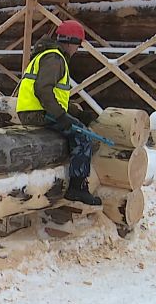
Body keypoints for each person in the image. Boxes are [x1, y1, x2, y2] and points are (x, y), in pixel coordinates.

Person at [16, 20, 102, 206]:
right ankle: (77, 188)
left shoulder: (50, 56)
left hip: (35, 110)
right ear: (71, 42)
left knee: (77, 126)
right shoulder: (55, 59)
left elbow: (55, 96)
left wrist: (76, 114)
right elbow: (43, 90)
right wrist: (61, 117)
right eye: (78, 45)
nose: (77, 50)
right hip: (38, 113)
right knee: (82, 136)